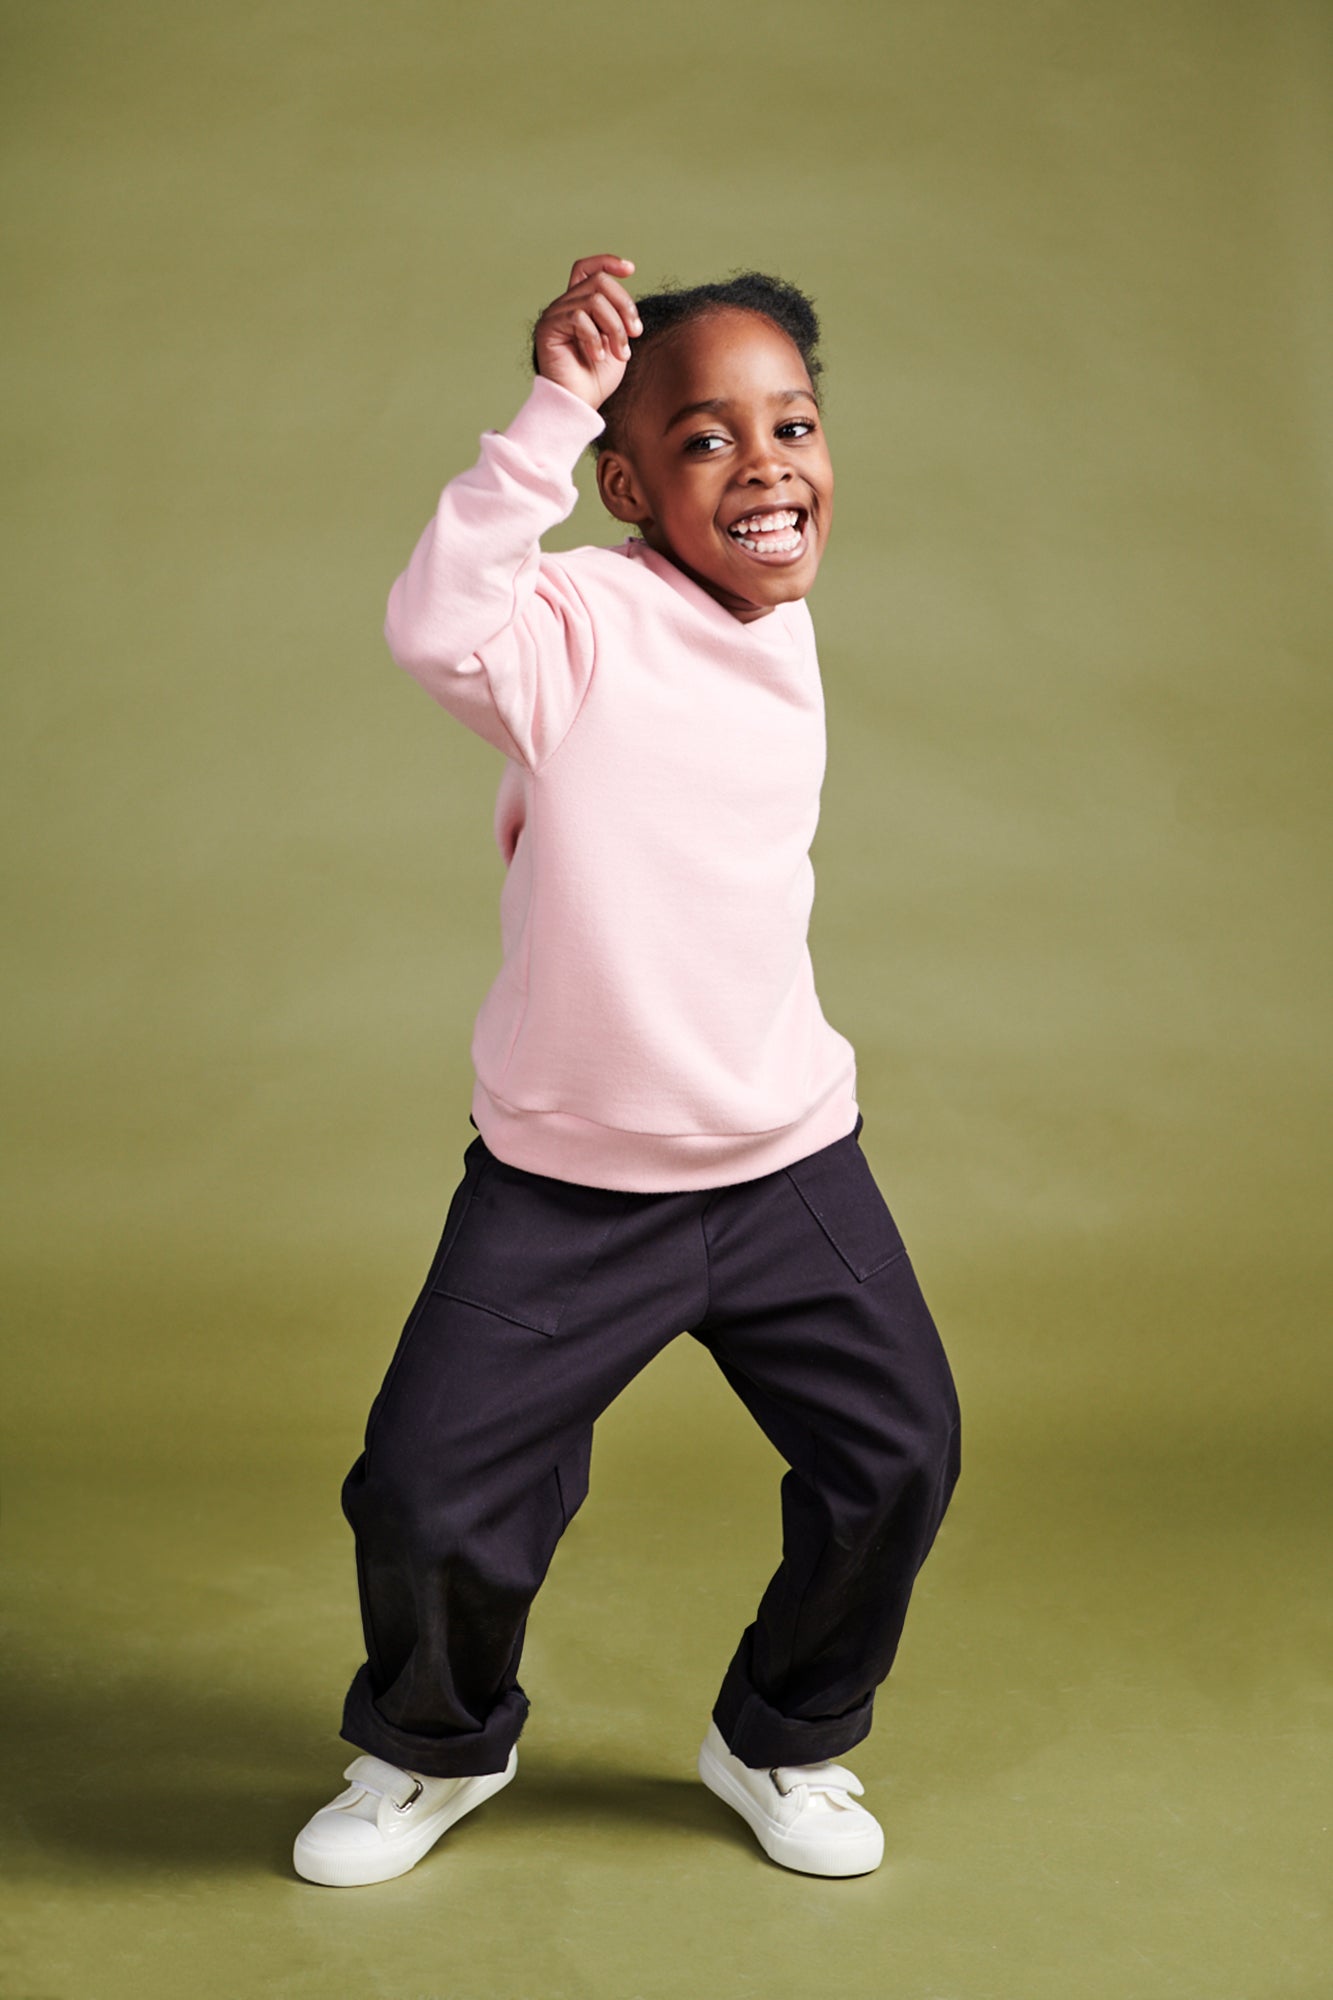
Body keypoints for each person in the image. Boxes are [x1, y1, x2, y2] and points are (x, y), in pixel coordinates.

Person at [292, 254, 962, 1886]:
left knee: (898, 1458)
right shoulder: (580, 620)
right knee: (426, 1492)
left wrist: (711, 454)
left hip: (785, 1165)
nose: (765, 469)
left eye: (791, 426)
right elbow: (435, 621)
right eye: (703, 440)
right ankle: (433, 1750)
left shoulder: (776, 614)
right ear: (626, 487)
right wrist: (551, 409)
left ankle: (779, 1737)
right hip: (567, 1187)